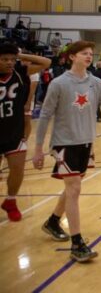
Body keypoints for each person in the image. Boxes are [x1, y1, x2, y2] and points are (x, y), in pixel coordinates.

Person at [33, 41, 101, 262]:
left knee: (73, 186)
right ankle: (77, 243)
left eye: (91, 53)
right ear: (72, 57)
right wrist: (38, 148)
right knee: (74, 189)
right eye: (84, 53)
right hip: (64, 143)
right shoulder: (59, 84)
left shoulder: (96, 83)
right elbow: (44, 116)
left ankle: (53, 221)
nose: (89, 56)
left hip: (87, 142)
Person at [0, 42, 51, 222]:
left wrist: (20, 55)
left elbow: (46, 63)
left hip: (14, 131)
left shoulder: (19, 73)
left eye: (12, 59)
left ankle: (11, 201)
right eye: (5, 59)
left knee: (17, 170)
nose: (9, 63)